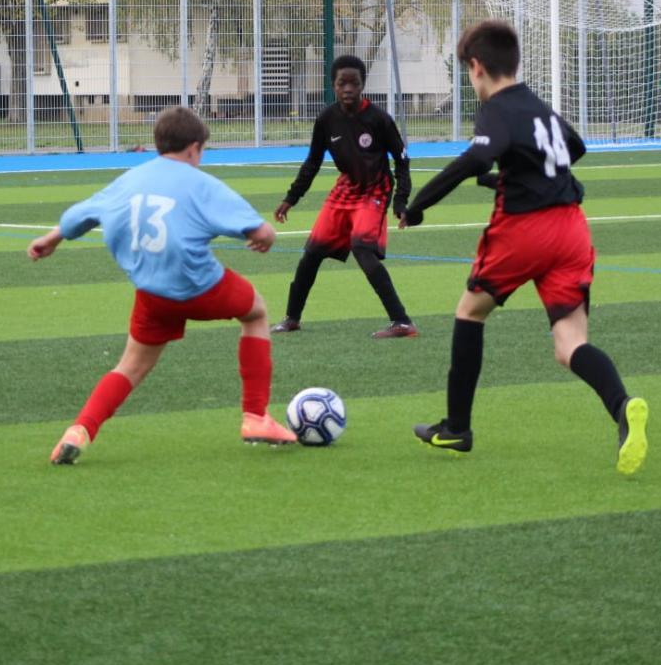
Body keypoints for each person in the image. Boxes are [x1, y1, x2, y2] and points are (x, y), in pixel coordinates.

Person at [399, 20, 649, 476]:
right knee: (570, 345)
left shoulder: (496, 108)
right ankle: (622, 406)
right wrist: (517, 175)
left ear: (476, 67)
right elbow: (574, 147)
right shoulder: (539, 106)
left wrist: (418, 206)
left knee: (470, 312)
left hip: (525, 230)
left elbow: (477, 157)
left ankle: (457, 428)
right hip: (572, 229)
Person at [30, 105, 296, 464]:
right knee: (256, 313)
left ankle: (79, 430)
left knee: (130, 366)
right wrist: (265, 239)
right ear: (194, 148)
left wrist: (52, 238)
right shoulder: (200, 183)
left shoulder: (131, 179)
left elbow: (82, 214)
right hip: (199, 285)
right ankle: (255, 416)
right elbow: (262, 232)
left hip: (152, 293)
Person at [271, 55, 417, 339]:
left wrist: (401, 201)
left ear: (362, 85)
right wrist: (291, 198)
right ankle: (291, 319)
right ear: (333, 86)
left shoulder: (379, 119)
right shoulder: (326, 120)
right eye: (342, 83)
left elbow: (402, 161)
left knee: (362, 247)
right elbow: (312, 162)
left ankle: (402, 322)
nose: (348, 88)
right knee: (312, 252)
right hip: (345, 189)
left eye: (354, 83)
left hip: (375, 190)